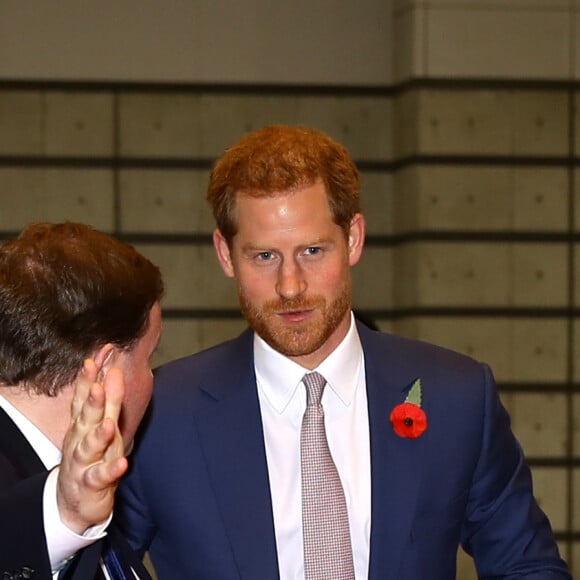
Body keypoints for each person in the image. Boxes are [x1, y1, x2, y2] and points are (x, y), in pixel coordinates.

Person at [117, 125, 571, 579]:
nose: (290, 286)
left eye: (312, 251)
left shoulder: (457, 396)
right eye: (264, 257)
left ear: (353, 239)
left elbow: (529, 568)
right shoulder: (160, 415)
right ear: (225, 253)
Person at [0, 222, 164, 580]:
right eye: (148, 358)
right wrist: (64, 516)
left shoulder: (88, 488)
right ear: (105, 369)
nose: (153, 380)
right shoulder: (62, 506)